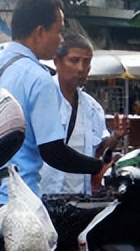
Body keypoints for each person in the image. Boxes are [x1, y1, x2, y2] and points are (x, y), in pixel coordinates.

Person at [0, 0, 104, 196]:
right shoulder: (39, 78)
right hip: (18, 200)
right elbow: (53, 152)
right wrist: (97, 166)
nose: (60, 40)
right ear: (40, 32)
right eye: (58, 31)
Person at [40, 33, 128, 195]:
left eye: (86, 61)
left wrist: (115, 137)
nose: (81, 68)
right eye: (74, 60)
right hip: (43, 194)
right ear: (57, 61)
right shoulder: (41, 98)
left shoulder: (92, 108)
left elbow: (97, 151)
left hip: (79, 196)